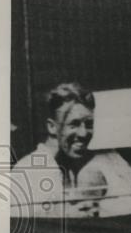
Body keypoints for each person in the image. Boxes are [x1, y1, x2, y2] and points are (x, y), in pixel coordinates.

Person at [11, 82, 99, 217]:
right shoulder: (30, 171)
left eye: (89, 124)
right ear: (52, 127)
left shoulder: (67, 167)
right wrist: (70, 217)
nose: (83, 133)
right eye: (74, 124)